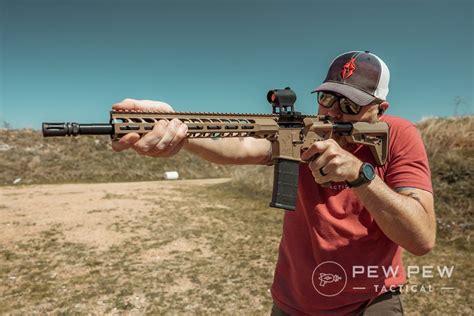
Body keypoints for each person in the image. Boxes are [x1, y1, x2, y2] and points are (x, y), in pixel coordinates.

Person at [111, 51, 435, 315]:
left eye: (351, 105)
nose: (334, 113)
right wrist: (179, 129)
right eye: (327, 99)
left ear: (380, 109)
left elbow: (421, 239)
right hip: (295, 301)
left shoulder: (399, 136)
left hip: (371, 300)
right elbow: (243, 145)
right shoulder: (306, 134)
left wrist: (359, 175)